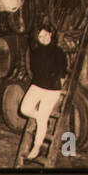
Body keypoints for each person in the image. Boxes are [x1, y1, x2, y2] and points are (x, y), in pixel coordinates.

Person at [19, 27, 67, 161]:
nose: (44, 38)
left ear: (51, 34)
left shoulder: (58, 52)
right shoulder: (36, 52)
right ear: (37, 39)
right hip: (37, 85)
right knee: (24, 109)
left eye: (46, 34)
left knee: (42, 118)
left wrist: (59, 85)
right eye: (41, 36)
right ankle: (41, 118)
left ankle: (36, 147)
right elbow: (35, 70)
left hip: (52, 89)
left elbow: (63, 71)